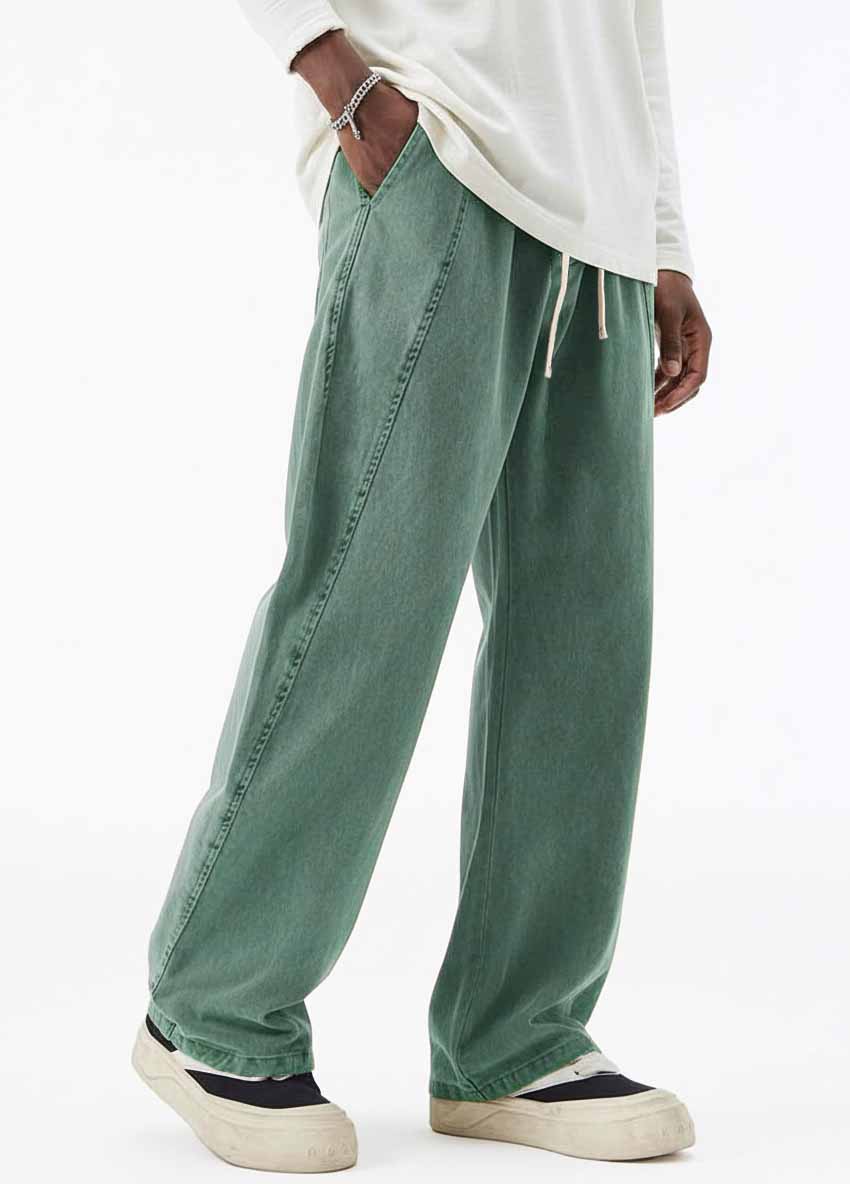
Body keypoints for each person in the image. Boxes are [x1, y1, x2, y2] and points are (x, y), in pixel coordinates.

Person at [132, 0, 712, 1172]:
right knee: (367, 600)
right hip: (440, 149)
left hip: (599, 225)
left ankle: (517, 1036)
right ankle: (214, 1007)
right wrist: (338, 74)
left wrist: (664, 240)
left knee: (585, 642)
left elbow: (631, 26)